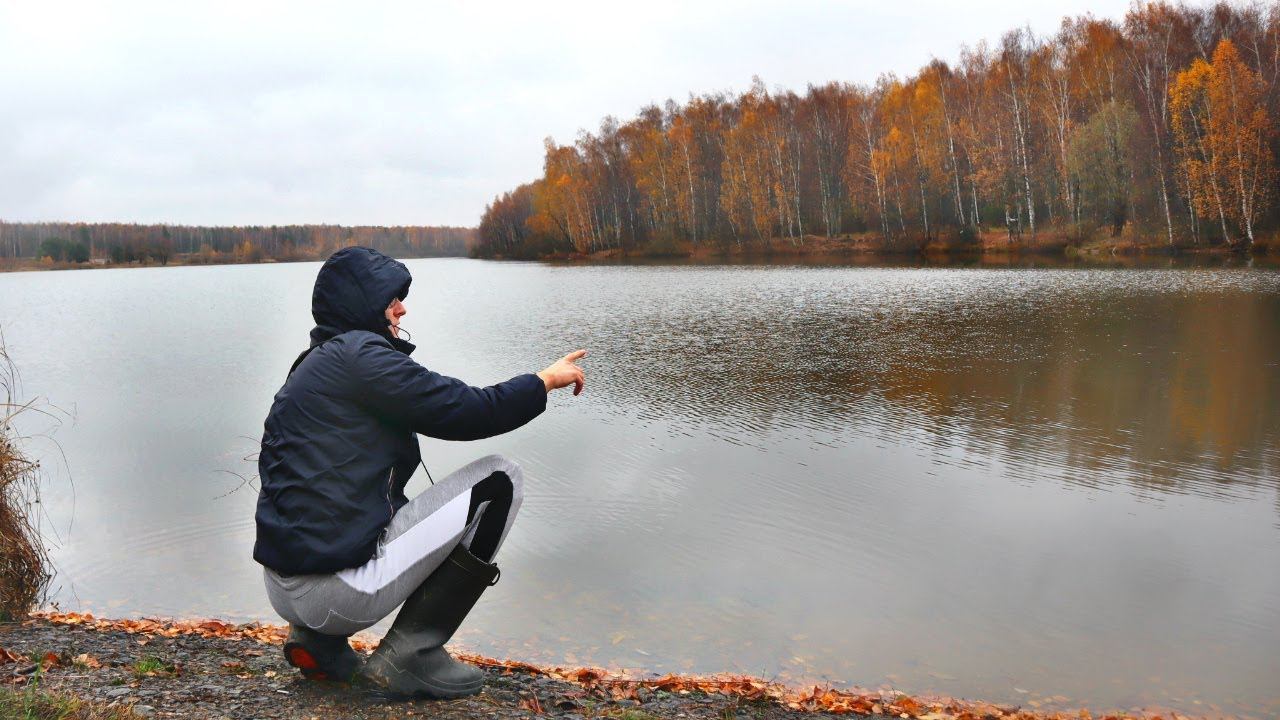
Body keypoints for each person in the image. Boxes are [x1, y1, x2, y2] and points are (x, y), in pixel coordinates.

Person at [252, 246, 585, 699]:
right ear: (362, 303)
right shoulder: (360, 356)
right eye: (391, 298)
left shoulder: (311, 365)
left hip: (283, 587)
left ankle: (317, 643)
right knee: (500, 480)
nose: (402, 307)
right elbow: (469, 411)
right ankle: (410, 656)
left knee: (366, 506)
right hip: (338, 594)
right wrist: (543, 380)